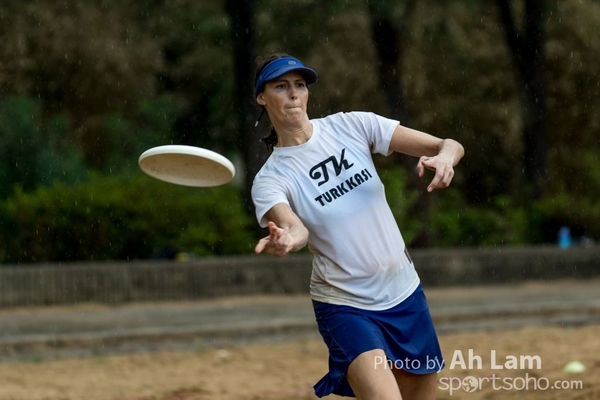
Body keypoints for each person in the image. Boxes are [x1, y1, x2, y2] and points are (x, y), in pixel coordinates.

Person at [251, 52, 464, 400]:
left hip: (405, 292)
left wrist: (445, 157)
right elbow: (297, 230)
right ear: (262, 97)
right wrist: (287, 238)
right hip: (346, 305)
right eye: (281, 86)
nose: (293, 94)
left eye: (300, 85)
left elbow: (449, 144)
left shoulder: (351, 125)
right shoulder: (270, 179)